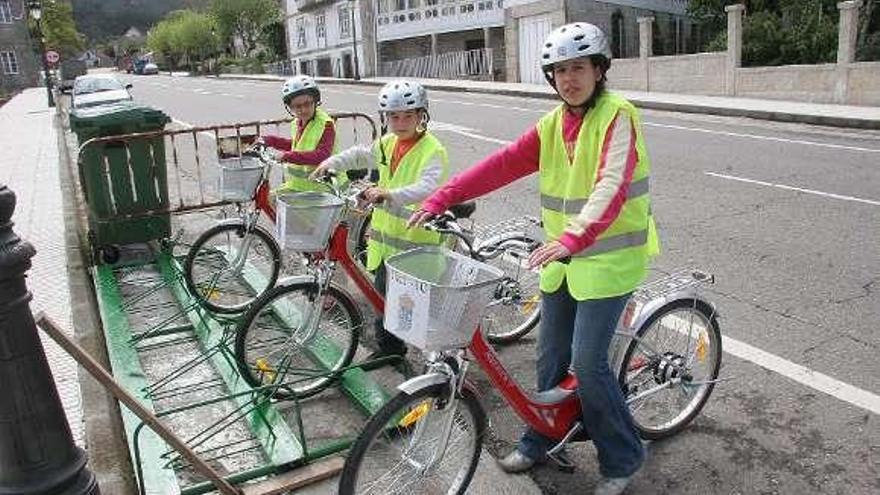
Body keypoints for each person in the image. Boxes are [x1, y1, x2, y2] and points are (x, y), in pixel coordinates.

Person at [408, 23, 659, 495]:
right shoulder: (552, 124)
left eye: (578, 68)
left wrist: (574, 238)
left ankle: (622, 457)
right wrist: (441, 198)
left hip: (608, 260)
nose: (569, 79)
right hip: (563, 258)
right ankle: (541, 437)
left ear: (599, 70)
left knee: (587, 365)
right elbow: (500, 164)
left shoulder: (617, 115)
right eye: (559, 71)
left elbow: (611, 185)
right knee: (548, 356)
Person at [311, 79, 450, 359]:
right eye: (394, 116)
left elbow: (427, 187)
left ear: (422, 115)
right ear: (385, 118)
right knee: (381, 299)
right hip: (386, 243)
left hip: (415, 245)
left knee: (411, 306)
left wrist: (389, 193)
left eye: (408, 115)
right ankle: (389, 350)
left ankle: (432, 363)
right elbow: (361, 154)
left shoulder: (433, 150)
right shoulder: (388, 143)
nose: (401, 123)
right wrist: (331, 163)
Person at [261, 75, 337, 193]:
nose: (303, 110)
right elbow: (297, 145)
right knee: (270, 198)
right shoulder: (297, 122)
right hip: (302, 184)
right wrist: (269, 140)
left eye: (308, 104)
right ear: (290, 107)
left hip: (323, 186)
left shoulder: (326, 124)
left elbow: (322, 155)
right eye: (297, 106)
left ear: (316, 101)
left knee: (274, 199)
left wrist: (286, 156)